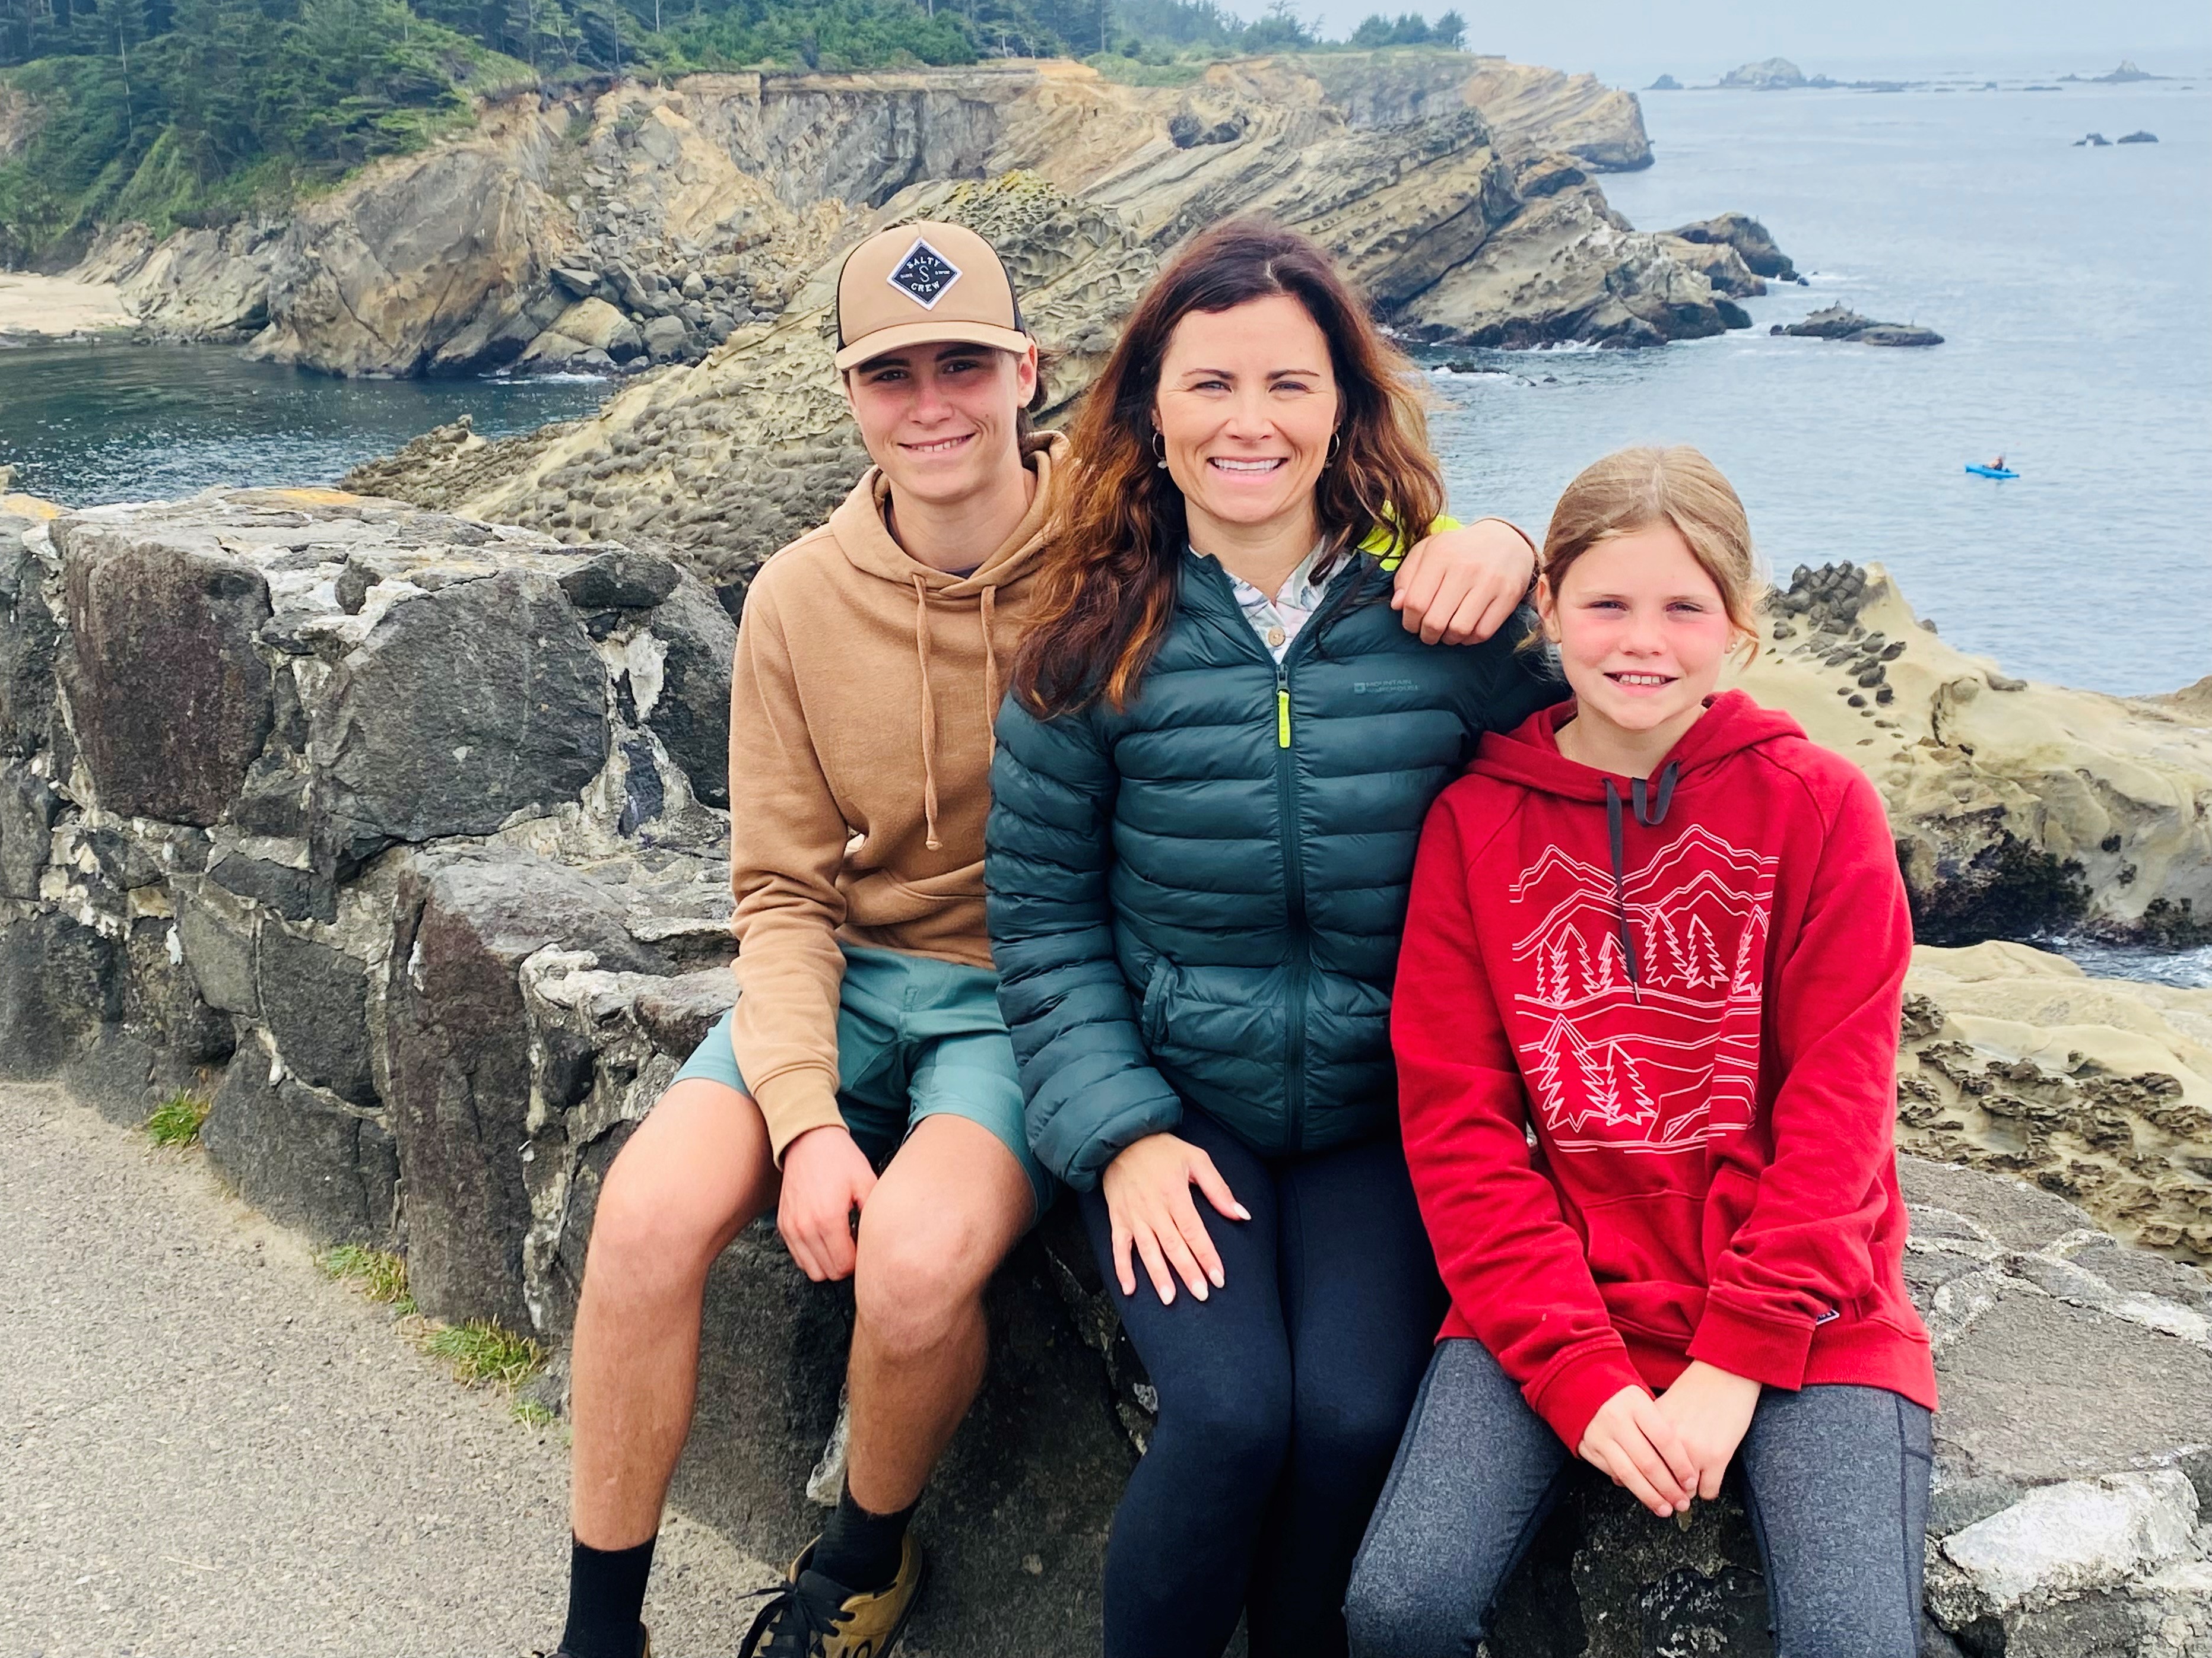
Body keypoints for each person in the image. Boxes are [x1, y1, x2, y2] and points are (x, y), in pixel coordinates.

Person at [552, 217, 1537, 1658]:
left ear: (1035, 374)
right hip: (899, 980)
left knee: (925, 1263)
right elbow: (778, 890)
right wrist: (804, 1111)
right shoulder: (814, 599)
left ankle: (860, 1565)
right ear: (847, 394)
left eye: (968, 365)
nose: (935, 403)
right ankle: (598, 1630)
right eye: (894, 375)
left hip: (1022, 997)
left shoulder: (1109, 540)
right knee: (641, 1218)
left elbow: (1331, 532)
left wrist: (1499, 541)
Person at [986, 215, 1560, 1658]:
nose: (1252, 421)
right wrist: (1119, 1135)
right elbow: (1042, 919)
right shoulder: (1087, 634)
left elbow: (1607, 742)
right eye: (1212, 384)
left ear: (1345, 411)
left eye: (1291, 385)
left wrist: (1523, 547)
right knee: (1233, 1413)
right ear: (1150, 412)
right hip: (1190, 1108)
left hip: (1395, 1115)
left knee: (1357, 1417)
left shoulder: (1443, 621)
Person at [1346, 446, 1937, 1658]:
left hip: (1808, 1306)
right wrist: (1578, 1374)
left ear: (1741, 626)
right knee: (1395, 1607)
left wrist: (1736, 1363)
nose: (1642, 641)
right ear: (1548, 606)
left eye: (1685, 608)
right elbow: (1457, 1129)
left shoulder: (1821, 808)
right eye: (1607, 605)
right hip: (1560, 1290)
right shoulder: (1474, 822)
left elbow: (1839, 1119)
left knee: (1853, 1645)